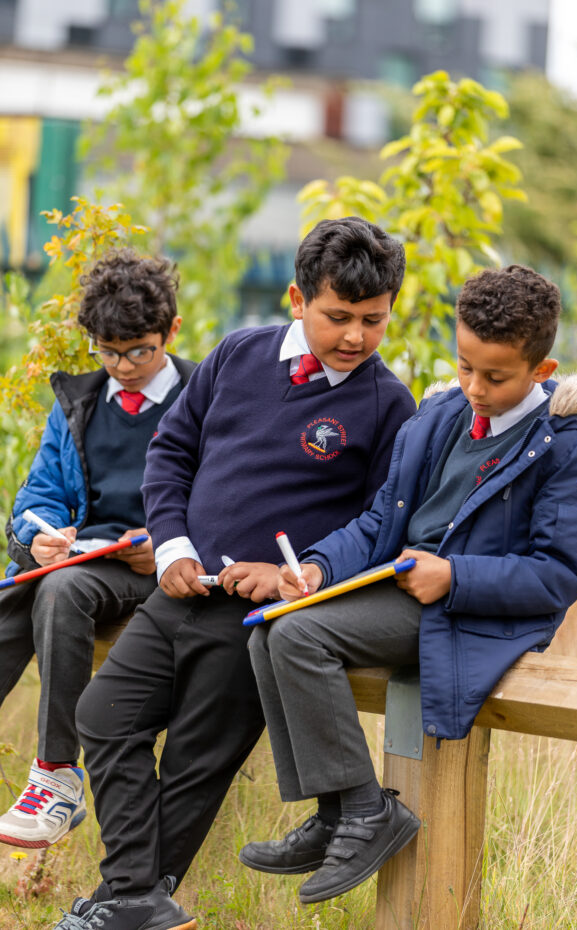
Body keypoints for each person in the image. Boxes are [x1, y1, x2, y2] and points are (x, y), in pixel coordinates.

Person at [52, 217, 417, 930]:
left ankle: (126, 901)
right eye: (337, 316)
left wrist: (292, 578)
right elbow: (171, 454)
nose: (354, 337)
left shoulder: (387, 404)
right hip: (179, 588)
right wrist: (173, 548)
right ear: (296, 298)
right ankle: (134, 895)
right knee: (101, 716)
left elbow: (379, 526)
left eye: (373, 321)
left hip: (259, 619)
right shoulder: (237, 355)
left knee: (195, 761)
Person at [240, 264, 577, 905]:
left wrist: (455, 577)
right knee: (271, 628)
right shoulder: (440, 416)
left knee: (300, 639)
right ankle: (336, 814)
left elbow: (559, 575)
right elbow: (382, 520)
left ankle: (364, 810)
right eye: (465, 366)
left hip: (470, 613)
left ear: (540, 373)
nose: (474, 387)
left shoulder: (565, 447)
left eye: (494, 377)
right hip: (406, 588)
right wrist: (319, 567)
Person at [0, 249, 194, 852]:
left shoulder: (202, 399)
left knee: (58, 588)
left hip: (155, 569)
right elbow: (39, 495)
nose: (124, 366)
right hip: (85, 557)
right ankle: (53, 778)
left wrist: (167, 544)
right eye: (108, 352)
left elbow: (229, 499)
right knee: (15, 589)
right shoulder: (79, 403)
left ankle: (56, 775)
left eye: (140, 350)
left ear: (171, 332)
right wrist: (39, 535)